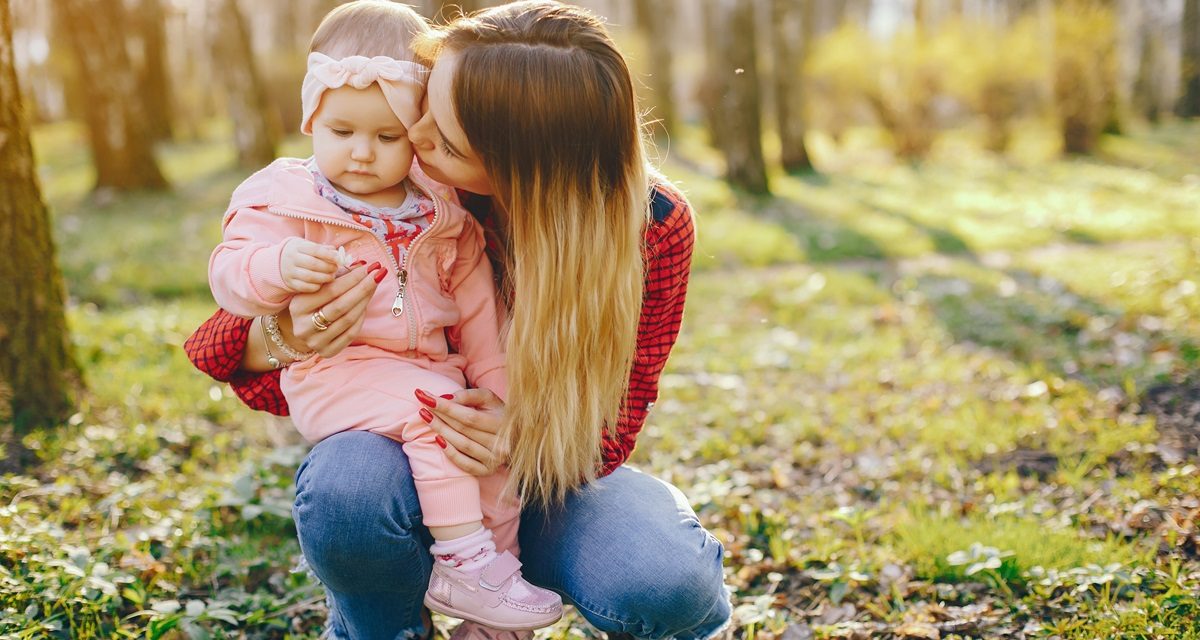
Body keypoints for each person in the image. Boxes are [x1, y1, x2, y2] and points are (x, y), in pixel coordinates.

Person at [185, 2, 731, 639]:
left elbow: (619, 419)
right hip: (403, 465)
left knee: (663, 578)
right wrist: (280, 337)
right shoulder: (391, 171)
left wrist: (521, 435)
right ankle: (383, 627)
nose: (411, 141)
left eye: (440, 137)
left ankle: (494, 604)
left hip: (541, 480)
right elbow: (214, 338)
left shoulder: (652, 228)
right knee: (347, 487)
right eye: (421, 113)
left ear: (512, 169)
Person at [206, 0, 561, 630]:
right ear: (312, 117)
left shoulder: (442, 214)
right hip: (336, 376)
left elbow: (482, 318)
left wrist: (502, 400)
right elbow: (228, 272)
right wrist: (276, 267)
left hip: (429, 372)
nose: (363, 153)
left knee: (488, 459)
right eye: (342, 131)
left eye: (387, 135)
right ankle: (462, 562)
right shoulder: (286, 198)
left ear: (418, 135)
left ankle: (494, 605)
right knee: (435, 417)